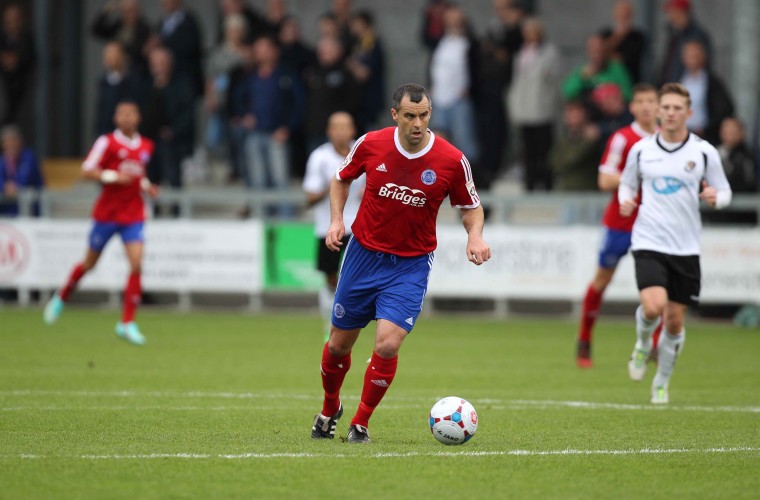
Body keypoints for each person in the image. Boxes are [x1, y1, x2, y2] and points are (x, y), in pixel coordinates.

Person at [311, 83, 490, 443]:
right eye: (410, 116)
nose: (418, 123)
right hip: (362, 256)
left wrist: (475, 236)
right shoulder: (371, 144)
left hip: (410, 265)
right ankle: (331, 407)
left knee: (388, 344)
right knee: (338, 346)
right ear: (395, 115)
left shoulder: (451, 160)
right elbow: (341, 179)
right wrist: (336, 220)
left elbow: (470, 206)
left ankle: (360, 423)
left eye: (424, 115)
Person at [618, 82, 731, 404]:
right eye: (665, 107)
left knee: (675, 320)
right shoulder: (641, 149)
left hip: (686, 247)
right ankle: (642, 345)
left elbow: (724, 191)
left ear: (688, 113)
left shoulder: (704, 151)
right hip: (648, 240)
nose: (669, 113)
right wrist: (627, 201)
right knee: (653, 307)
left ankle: (662, 382)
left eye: (676, 108)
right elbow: (626, 186)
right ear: (658, 111)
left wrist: (715, 199)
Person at [43, 101, 158, 345]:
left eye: (131, 113)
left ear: (138, 118)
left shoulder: (146, 145)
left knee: (136, 264)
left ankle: (127, 323)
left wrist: (148, 187)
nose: (127, 118)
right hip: (107, 214)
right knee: (89, 264)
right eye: (122, 114)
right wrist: (112, 176)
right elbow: (86, 170)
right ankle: (62, 296)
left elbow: (139, 175)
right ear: (116, 118)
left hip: (133, 214)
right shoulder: (107, 142)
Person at [575, 83, 660, 368]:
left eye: (652, 101)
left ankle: (655, 346)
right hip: (621, 223)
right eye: (641, 101)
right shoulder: (623, 138)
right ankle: (585, 339)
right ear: (632, 107)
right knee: (602, 280)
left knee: (658, 285)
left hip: (656, 225)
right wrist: (638, 177)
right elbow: (604, 180)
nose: (647, 106)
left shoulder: (668, 141)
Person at [302, 112, 365, 342]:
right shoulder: (319, 157)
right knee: (330, 279)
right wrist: (336, 185)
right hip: (328, 227)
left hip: (359, 229)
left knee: (354, 280)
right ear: (329, 131)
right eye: (336, 127)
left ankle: (348, 323)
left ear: (352, 130)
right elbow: (308, 197)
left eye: (345, 126)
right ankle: (330, 325)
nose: (341, 131)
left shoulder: (363, 154)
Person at [507, 17, 560, 191]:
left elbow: (553, 79)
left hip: (542, 108)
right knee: (528, 150)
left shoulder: (549, 52)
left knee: (544, 150)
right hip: (525, 109)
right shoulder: (521, 53)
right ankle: (529, 183)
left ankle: (546, 183)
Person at [679, 39, 733, 146]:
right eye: (689, 55)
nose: (692, 59)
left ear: (704, 57)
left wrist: (706, 128)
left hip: (704, 137)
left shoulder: (712, 82)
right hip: (679, 135)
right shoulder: (677, 79)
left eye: (696, 55)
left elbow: (725, 108)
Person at [547, 100, 601, 193]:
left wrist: (588, 142)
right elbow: (554, 162)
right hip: (568, 191)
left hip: (590, 193)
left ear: (585, 114)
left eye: (577, 111)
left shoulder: (594, 135)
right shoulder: (565, 138)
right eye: (569, 112)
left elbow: (574, 158)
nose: (572, 115)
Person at [90, 0, 152, 76]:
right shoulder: (118, 25)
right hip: (115, 69)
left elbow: (139, 50)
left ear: (138, 11)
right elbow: (96, 30)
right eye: (125, 11)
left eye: (131, 11)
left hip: (135, 71)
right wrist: (106, 11)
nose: (128, 14)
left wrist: (119, 52)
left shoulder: (144, 28)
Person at [657, 0, 712, 86]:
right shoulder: (674, 33)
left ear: (680, 12)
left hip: (686, 87)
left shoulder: (696, 36)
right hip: (670, 87)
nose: (669, 16)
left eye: (672, 11)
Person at [0, 125, 42, 216]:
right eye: (8, 142)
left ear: (19, 142)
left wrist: (15, 186)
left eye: (13, 141)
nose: (11, 145)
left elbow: (25, 179)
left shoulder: (29, 157)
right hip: (7, 210)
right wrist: (4, 186)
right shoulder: (2, 160)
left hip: (31, 210)